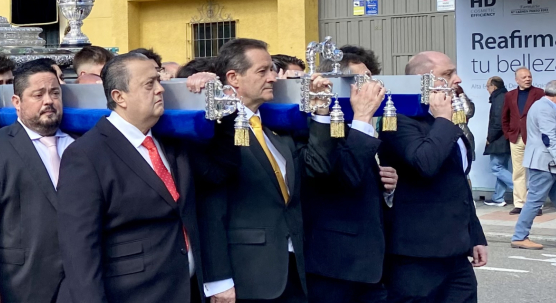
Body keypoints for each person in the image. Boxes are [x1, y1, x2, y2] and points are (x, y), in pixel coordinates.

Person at [58, 52, 202, 303]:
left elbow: (220, 173)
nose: (160, 90)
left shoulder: (170, 142)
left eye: (159, 81)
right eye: (149, 84)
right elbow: (80, 248)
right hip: (130, 293)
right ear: (119, 96)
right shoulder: (87, 154)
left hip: (182, 289)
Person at [194, 38, 308, 303]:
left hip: (291, 271)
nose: (273, 77)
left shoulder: (274, 129)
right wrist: (218, 280)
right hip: (246, 277)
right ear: (233, 78)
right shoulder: (214, 128)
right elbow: (211, 209)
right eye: (263, 71)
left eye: (273, 70)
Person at [379, 51, 487, 303]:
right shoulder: (397, 119)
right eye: (447, 74)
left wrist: (476, 236)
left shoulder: (445, 122)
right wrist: (443, 119)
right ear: (423, 80)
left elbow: (458, 183)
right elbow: (425, 163)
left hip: (456, 253)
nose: (457, 79)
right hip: (416, 255)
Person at [0, 58, 72, 303]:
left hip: (77, 281)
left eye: (55, 93)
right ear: (17, 102)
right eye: (38, 94)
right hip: (21, 283)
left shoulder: (81, 145)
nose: (49, 101)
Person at [302, 73, 392, 303]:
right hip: (334, 265)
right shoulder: (319, 125)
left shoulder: (361, 124)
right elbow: (347, 175)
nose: (368, 89)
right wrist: (363, 117)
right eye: (359, 82)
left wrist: (388, 187)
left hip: (371, 265)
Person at [510, 80, 556, 250]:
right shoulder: (544, 108)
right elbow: (548, 137)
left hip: (549, 164)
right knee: (534, 201)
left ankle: (520, 236)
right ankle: (519, 236)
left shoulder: (544, 106)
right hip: (545, 164)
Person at [503, 67, 544, 215]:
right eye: (524, 77)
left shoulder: (539, 93)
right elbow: (505, 116)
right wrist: (508, 134)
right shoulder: (510, 95)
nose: (528, 79)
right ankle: (520, 204)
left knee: (535, 172)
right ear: (517, 80)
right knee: (518, 172)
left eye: (529, 76)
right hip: (516, 137)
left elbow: (544, 114)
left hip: (534, 138)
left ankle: (536, 205)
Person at [484, 76, 513, 207]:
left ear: (494, 87)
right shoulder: (505, 96)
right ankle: (498, 197)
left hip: (499, 139)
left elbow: (498, 121)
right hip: (506, 138)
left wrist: (490, 138)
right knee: (502, 167)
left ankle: (523, 190)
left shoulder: (499, 99)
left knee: (496, 167)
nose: (487, 89)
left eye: (487, 86)